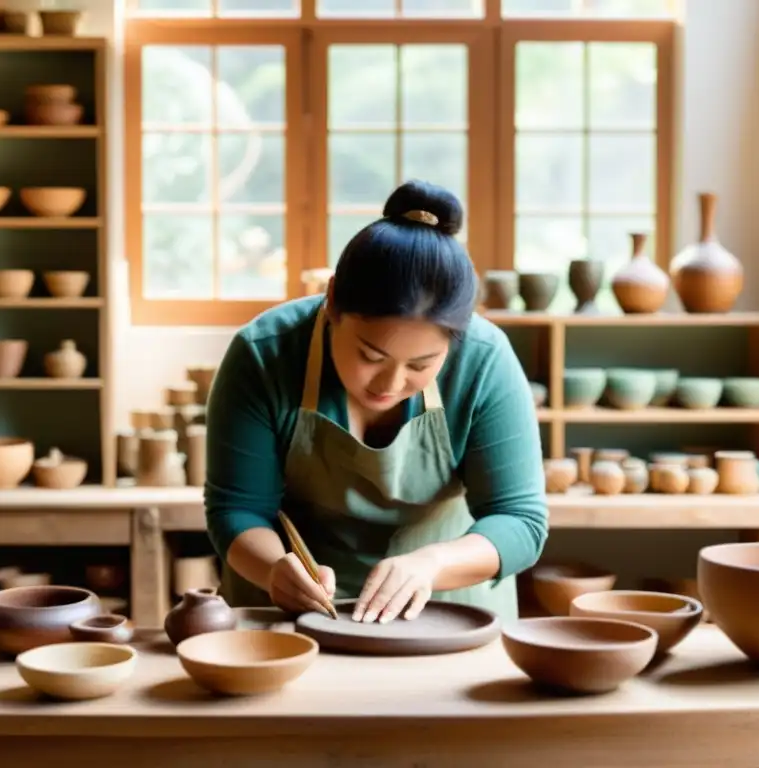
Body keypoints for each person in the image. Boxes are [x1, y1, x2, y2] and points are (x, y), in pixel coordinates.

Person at [204, 179, 548, 625]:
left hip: (442, 612)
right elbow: (237, 507)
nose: (391, 382)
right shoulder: (265, 353)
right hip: (291, 615)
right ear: (332, 304)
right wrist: (273, 568)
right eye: (371, 355)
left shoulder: (484, 360)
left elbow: (520, 520)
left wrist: (432, 564)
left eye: (421, 364)